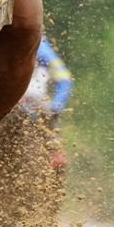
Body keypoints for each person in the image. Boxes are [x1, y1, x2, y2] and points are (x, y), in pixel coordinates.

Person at [20, 35, 73, 171]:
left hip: (36, 103)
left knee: (55, 147)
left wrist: (56, 106)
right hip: (8, 101)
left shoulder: (41, 47)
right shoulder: (0, 40)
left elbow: (65, 80)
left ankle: (56, 162)